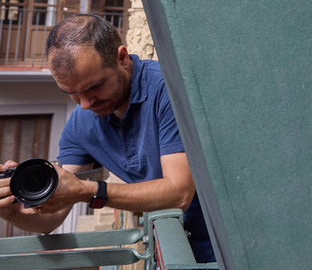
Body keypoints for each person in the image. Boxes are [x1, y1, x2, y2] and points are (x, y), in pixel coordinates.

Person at [0, 14, 214, 262]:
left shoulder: (168, 89)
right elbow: (53, 219)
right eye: (71, 93)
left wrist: (89, 191)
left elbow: (179, 193)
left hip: (236, 235)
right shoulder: (80, 125)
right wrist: (11, 210)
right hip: (183, 250)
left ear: (121, 58)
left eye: (94, 87)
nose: (85, 103)